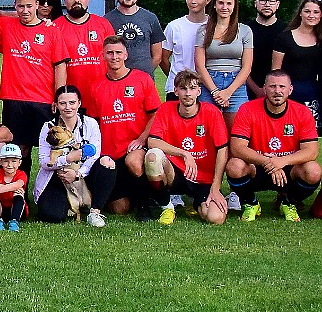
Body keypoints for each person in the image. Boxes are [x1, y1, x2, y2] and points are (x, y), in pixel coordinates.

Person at [227, 70, 321, 222]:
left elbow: (311, 151)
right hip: (257, 166)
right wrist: (268, 161)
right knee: (234, 166)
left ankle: (289, 203)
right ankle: (251, 203)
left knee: (313, 171)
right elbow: (237, 148)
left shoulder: (302, 112)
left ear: (290, 89)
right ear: (264, 89)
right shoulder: (247, 109)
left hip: (289, 170)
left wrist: (282, 161)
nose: (277, 91)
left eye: (282, 87)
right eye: (272, 86)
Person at [0, 0, 69, 175]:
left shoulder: (51, 30)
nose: (25, 10)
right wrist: (5, 14)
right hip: (15, 99)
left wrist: (59, 97)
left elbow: (60, 65)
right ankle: (21, 194)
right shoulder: (7, 25)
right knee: (20, 150)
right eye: (20, 6)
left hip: (43, 100)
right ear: (14, 5)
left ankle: (51, 195)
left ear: (37, 4)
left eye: (29, 6)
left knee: (52, 147)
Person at [88, 35, 161, 219]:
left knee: (134, 163)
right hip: (110, 153)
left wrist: (142, 138)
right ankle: (136, 196)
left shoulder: (142, 79)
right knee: (119, 208)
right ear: (103, 55)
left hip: (134, 147)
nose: (114, 57)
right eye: (110, 53)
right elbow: (94, 123)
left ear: (126, 54)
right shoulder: (96, 86)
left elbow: (155, 114)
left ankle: (146, 205)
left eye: (118, 52)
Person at [145, 70, 229, 225]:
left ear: (199, 91)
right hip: (176, 173)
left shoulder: (211, 112)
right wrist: (184, 154)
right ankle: (167, 207)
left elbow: (223, 150)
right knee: (152, 156)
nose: (188, 93)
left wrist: (216, 188)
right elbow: (152, 142)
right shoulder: (166, 109)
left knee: (215, 218)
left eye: (192, 88)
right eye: (183, 89)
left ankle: (195, 201)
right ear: (176, 91)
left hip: (203, 179)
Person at [35, 85, 116, 226]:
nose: (68, 107)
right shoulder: (48, 127)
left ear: (79, 103)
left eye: (72, 102)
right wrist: (67, 159)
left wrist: (78, 174)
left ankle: (95, 212)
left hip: (84, 175)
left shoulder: (90, 124)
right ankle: (69, 203)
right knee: (51, 215)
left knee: (107, 162)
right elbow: (43, 162)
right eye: (62, 103)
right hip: (58, 177)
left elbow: (94, 156)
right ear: (56, 105)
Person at [195, 0, 254, 130]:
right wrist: (215, 91)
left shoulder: (245, 31)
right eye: (221, 3)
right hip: (209, 83)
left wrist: (228, 92)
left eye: (229, 3)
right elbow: (199, 65)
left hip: (236, 85)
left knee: (237, 132)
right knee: (207, 131)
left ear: (234, 6)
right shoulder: (203, 30)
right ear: (214, 5)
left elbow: (246, 66)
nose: (224, 7)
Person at [56, 0, 116, 106]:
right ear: (64, 0)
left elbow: (114, 59)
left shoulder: (103, 25)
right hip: (69, 100)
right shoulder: (56, 27)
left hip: (101, 94)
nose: (76, 0)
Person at [271, 0, 322, 129]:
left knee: (311, 133)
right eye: (307, 11)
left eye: (316, 12)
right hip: (289, 93)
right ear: (300, 13)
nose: (311, 15)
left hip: (313, 93)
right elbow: (275, 71)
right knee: (288, 131)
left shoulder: (320, 39)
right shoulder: (284, 38)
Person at [105, 0, 165, 77]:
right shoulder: (106, 20)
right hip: (116, 80)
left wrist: (143, 75)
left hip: (144, 81)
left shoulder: (150, 18)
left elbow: (157, 56)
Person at [161, 0, 210, 101]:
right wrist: (178, 78)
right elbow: (163, 58)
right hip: (177, 90)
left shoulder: (214, 25)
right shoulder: (174, 26)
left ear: (207, 0)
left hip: (205, 89)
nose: (193, 1)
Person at [246, 0, 284, 100]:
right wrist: (257, 89)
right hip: (246, 89)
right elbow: (239, 63)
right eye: (263, 0)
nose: (267, 4)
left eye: (272, 1)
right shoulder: (244, 29)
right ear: (255, 3)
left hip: (279, 92)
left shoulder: (287, 31)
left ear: (277, 4)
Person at [0, 143, 28, 232]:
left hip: (16, 210)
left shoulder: (21, 174)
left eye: (14, 161)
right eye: (6, 161)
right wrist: (5, 187)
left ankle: (14, 221)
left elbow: (17, 185)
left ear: (20, 162)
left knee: (18, 194)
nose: (9, 165)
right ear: (1, 162)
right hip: (0, 209)